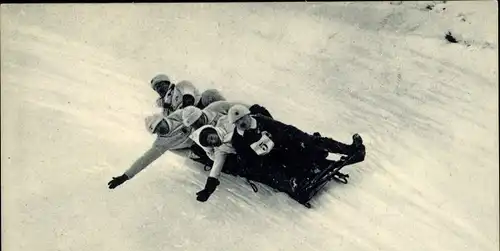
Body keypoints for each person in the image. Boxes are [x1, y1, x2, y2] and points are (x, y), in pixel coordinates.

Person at [228, 104, 366, 200]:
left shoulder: (259, 119)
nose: (242, 123)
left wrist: (304, 139)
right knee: (274, 170)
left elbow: (283, 129)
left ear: (248, 115)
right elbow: (250, 161)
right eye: (237, 122)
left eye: (243, 118)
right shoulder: (238, 140)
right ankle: (297, 186)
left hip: (283, 147)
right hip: (269, 161)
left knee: (312, 141)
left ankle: (350, 150)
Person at [107, 110, 203, 189]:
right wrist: (125, 177)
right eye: (157, 130)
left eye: (160, 125)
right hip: (195, 150)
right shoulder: (161, 143)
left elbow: (196, 113)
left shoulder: (178, 116)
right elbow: (144, 160)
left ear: (164, 120)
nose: (161, 129)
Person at [150, 74, 225, 116]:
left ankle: (228, 111)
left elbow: (188, 99)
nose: (159, 89)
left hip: (200, 106)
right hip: (189, 122)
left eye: (161, 85)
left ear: (167, 83)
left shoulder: (181, 85)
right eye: (156, 88)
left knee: (210, 94)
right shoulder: (165, 110)